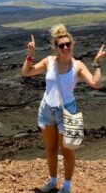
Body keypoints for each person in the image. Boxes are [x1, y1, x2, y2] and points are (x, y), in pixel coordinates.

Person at [21, 24, 105, 193]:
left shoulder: (78, 66)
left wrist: (97, 63)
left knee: (66, 151)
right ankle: (53, 182)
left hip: (66, 111)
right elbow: (26, 73)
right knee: (51, 149)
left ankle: (66, 186)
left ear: (72, 45)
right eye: (61, 45)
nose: (65, 47)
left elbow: (96, 83)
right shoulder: (49, 61)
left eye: (68, 44)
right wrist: (30, 56)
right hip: (47, 109)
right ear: (56, 48)